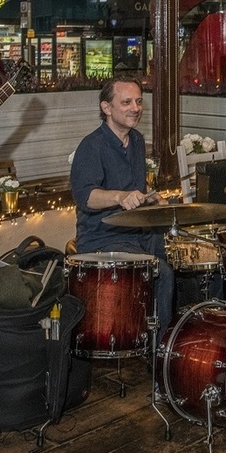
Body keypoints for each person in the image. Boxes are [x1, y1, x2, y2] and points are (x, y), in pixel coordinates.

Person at [69, 76, 174, 339]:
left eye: (138, 101)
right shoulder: (91, 146)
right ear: (106, 107)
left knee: (190, 254)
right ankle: (159, 353)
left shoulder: (136, 140)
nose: (135, 108)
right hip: (102, 238)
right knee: (161, 272)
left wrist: (150, 198)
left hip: (137, 233)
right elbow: (85, 197)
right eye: (126, 102)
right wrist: (119, 197)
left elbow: (135, 189)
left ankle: (185, 341)